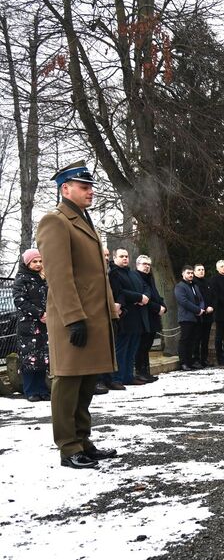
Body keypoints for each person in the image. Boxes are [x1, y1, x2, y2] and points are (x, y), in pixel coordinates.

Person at [36, 160, 118, 469]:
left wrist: (110, 312)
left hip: (93, 317)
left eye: (91, 187)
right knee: (68, 384)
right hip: (74, 318)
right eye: (84, 187)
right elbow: (58, 275)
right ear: (65, 188)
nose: (90, 192)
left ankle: (83, 440)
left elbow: (99, 275)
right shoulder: (55, 221)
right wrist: (73, 317)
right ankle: (69, 447)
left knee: (86, 383)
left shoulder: (82, 220)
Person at [108, 249, 151, 387]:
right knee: (122, 348)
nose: (125, 258)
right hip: (125, 315)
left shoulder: (132, 273)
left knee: (133, 347)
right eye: (121, 256)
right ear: (115, 258)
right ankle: (117, 378)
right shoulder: (113, 273)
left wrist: (145, 296)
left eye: (126, 256)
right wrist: (139, 297)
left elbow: (145, 286)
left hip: (137, 315)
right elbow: (119, 292)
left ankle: (128, 376)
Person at [13, 249, 50, 402]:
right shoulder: (22, 279)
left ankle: (42, 389)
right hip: (28, 325)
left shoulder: (43, 278)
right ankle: (30, 391)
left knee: (43, 358)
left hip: (44, 324)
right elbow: (20, 301)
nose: (38, 264)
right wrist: (39, 313)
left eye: (40, 261)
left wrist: (48, 313)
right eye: (34, 261)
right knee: (30, 358)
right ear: (27, 263)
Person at [134, 255, 165, 383]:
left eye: (148, 264)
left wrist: (163, 306)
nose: (147, 266)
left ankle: (146, 372)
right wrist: (158, 307)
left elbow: (155, 295)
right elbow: (144, 300)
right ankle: (140, 372)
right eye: (144, 264)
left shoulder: (150, 278)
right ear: (137, 265)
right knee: (141, 346)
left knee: (147, 345)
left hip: (153, 316)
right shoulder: (136, 277)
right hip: (143, 316)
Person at [175, 265, 205, 371]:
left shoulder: (195, 286)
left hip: (196, 317)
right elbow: (183, 301)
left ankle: (190, 361)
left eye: (192, 273)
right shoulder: (180, 286)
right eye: (188, 273)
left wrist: (201, 309)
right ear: (183, 274)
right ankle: (183, 362)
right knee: (185, 340)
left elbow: (201, 299)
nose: (191, 275)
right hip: (186, 317)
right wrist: (197, 310)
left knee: (193, 340)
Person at [192, 264, 215, 367]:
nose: (201, 271)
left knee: (205, 339)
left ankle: (204, 359)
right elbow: (196, 299)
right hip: (198, 314)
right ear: (194, 271)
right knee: (196, 338)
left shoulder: (208, 282)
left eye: (203, 269)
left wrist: (211, 306)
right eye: (199, 270)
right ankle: (195, 359)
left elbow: (213, 296)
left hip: (209, 314)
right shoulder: (193, 283)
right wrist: (204, 308)